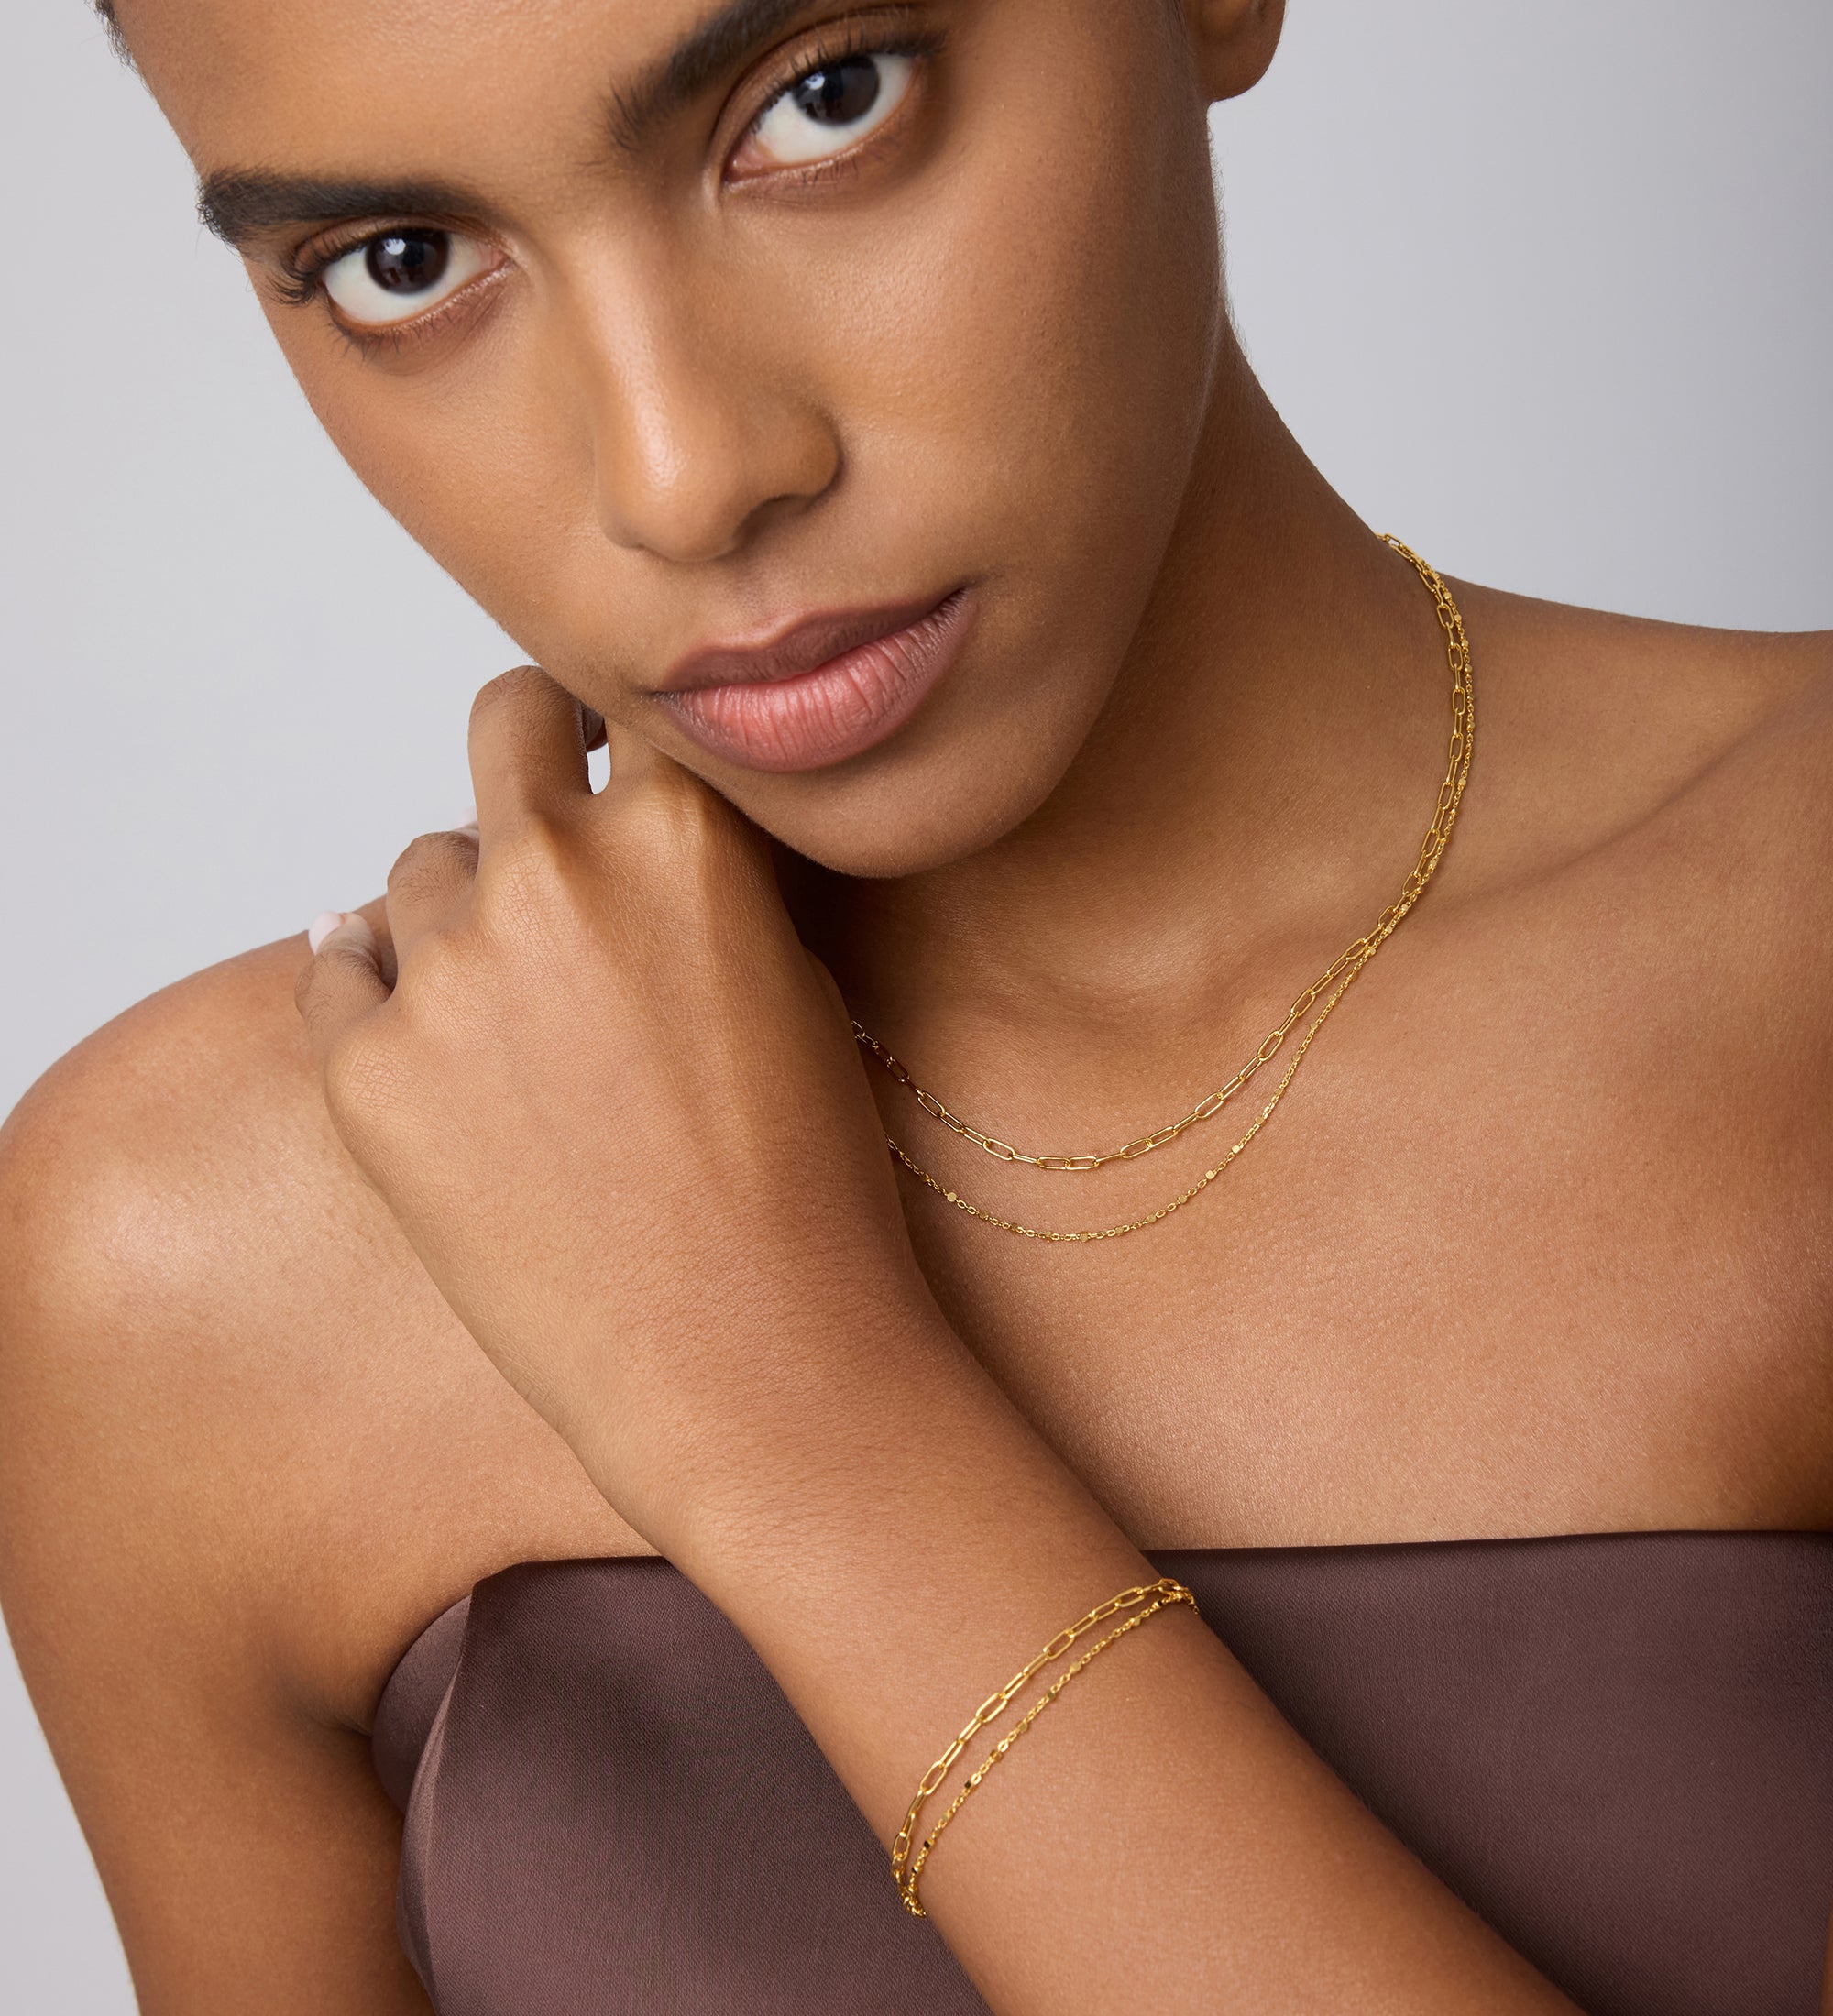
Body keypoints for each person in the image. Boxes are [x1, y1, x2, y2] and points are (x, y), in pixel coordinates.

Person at [2, 0, 1829, 2011]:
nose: (688, 472)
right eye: (401, 261)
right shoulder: (180, 1258)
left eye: (820, 99)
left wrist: (788, 1417)